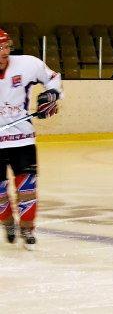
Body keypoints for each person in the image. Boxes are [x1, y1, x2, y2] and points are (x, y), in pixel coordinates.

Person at [0, 27, 62, 249]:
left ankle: (27, 228)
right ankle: (7, 222)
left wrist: (51, 94)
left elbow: (53, 78)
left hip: (22, 139)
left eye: (6, 46)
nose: (4, 52)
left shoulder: (27, 64)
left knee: (26, 187)